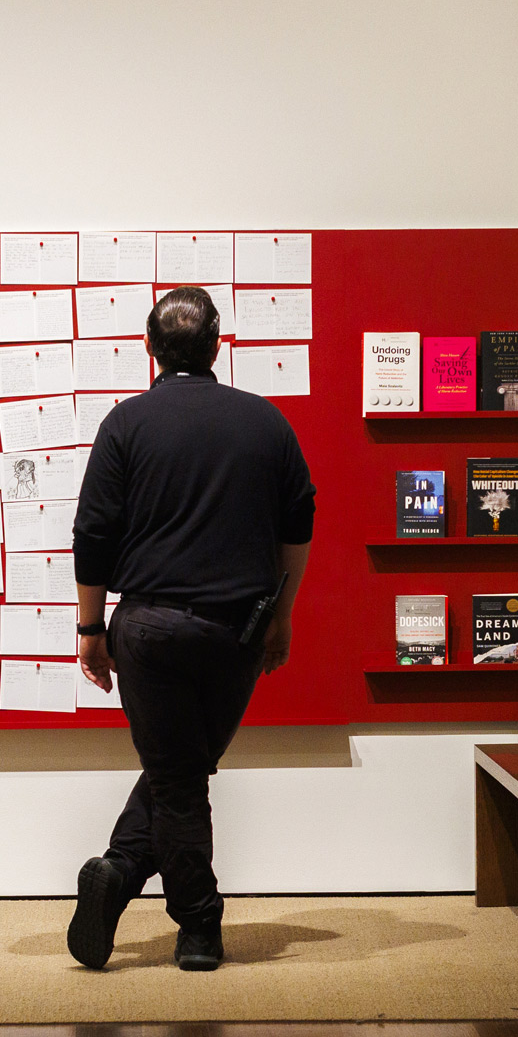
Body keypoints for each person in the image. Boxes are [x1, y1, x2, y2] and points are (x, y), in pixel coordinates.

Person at [67, 286, 314, 972]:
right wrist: (283, 614)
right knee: (183, 773)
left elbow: (92, 532)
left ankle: (132, 880)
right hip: (235, 632)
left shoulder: (125, 424)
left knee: (177, 776)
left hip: (146, 629)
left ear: (148, 349)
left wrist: (91, 626)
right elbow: (300, 523)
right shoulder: (265, 422)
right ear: (216, 346)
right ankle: (196, 922)